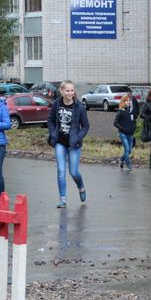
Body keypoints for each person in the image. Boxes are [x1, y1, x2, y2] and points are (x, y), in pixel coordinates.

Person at [47, 80, 89, 209]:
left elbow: (85, 126)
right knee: (61, 170)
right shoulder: (56, 104)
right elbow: (50, 120)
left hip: (73, 144)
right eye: (67, 90)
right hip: (60, 141)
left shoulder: (79, 107)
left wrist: (78, 137)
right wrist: (53, 132)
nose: (70, 93)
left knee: (74, 172)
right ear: (62, 91)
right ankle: (62, 199)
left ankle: (81, 186)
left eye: (72, 90)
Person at [113, 94, 136, 171]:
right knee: (126, 149)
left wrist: (133, 129)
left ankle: (121, 159)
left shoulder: (129, 111)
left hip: (130, 134)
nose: (128, 102)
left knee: (129, 150)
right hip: (123, 134)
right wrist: (122, 129)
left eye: (129, 100)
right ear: (123, 102)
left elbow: (132, 122)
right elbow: (115, 123)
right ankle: (129, 165)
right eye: (126, 101)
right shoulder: (120, 112)